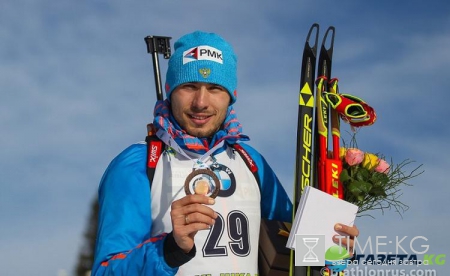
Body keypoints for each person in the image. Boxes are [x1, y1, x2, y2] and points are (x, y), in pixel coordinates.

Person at [91, 31, 359, 276]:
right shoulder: (137, 163)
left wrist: (332, 250)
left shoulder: (251, 162)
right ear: (171, 92)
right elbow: (107, 270)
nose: (201, 102)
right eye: (189, 86)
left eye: (215, 89)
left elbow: (295, 251)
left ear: (231, 96)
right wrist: (171, 248)